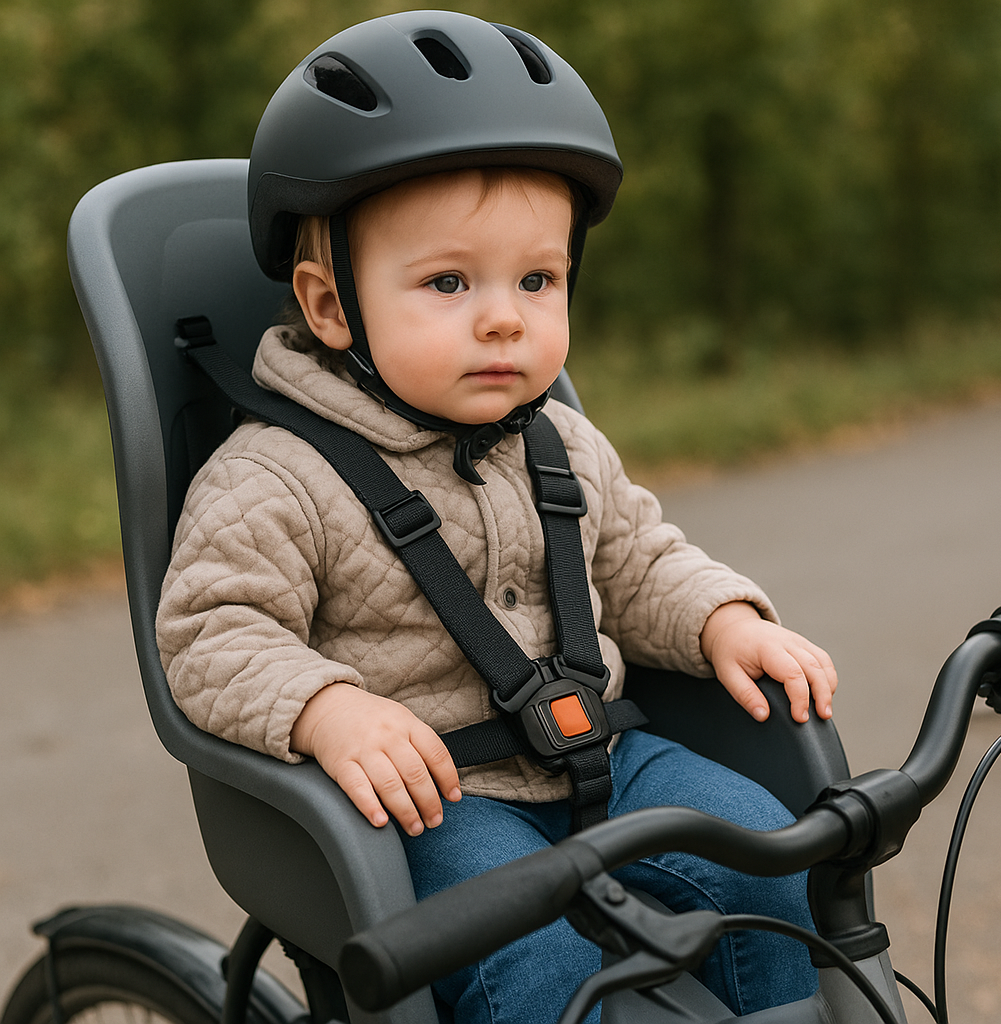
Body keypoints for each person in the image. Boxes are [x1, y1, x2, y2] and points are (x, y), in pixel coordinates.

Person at [156, 11, 838, 1022]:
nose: (505, 317)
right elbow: (211, 630)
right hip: (435, 802)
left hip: (608, 754)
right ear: (330, 306)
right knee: (528, 968)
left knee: (762, 859)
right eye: (447, 282)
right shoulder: (275, 476)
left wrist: (720, 620)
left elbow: (637, 560)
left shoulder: (559, 441)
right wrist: (326, 708)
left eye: (537, 279)